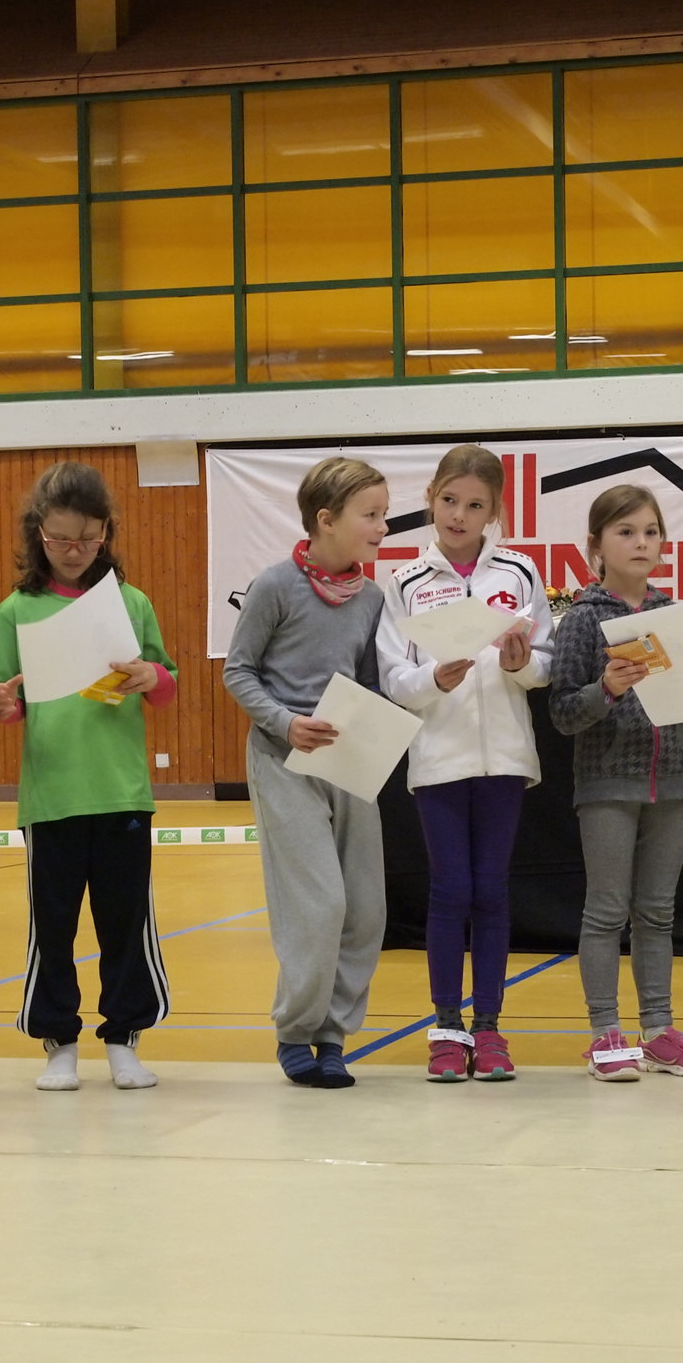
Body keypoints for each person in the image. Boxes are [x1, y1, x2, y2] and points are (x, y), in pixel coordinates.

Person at [0, 461, 176, 1091]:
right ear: (36, 533)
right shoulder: (15, 611)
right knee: (53, 928)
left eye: (88, 539)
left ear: (106, 533)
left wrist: (151, 676)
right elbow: (9, 701)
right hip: (52, 798)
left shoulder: (131, 602)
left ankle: (124, 1039)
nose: (73, 551)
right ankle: (58, 1044)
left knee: (126, 924)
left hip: (121, 792)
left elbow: (166, 684)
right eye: (60, 539)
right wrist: (6, 706)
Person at [376, 444, 552, 1082]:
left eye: (475, 506)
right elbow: (393, 678)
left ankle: (490, 1028)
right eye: (449, 501)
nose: (459, 515)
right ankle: (447, 1028)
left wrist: (521, 665)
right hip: (439, 761)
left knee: (492, 891)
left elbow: (547, 662)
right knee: (450, 891)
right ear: (431, 498)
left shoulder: (520, 573)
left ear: (494, 511)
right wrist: (433, 679)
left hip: (505, 757)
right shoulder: (405, 583)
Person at [223, 457, 390, 1088]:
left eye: (383, 514)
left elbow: (368, 681)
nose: (382, 526)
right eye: (370, 515)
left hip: (349, 762)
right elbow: (238, 670)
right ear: (326, 520)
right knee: (319, 905)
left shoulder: (372, 597)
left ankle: (332, 1035)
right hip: (283, 758)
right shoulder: (274, 586)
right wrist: (285, 722)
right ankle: (295, 1030)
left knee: (365, 910)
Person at [549, 484, 683, 1082]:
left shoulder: (672, 615)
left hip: (670, 784)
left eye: (650, 531)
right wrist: (608, 689)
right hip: (607, 785)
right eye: (626, 532)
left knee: (658, 913)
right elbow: (562, 713)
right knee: (605, 912)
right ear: (596, 544)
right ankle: (605, 1032)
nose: (641, 542)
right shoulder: (582, 618)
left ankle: (659, 1031)